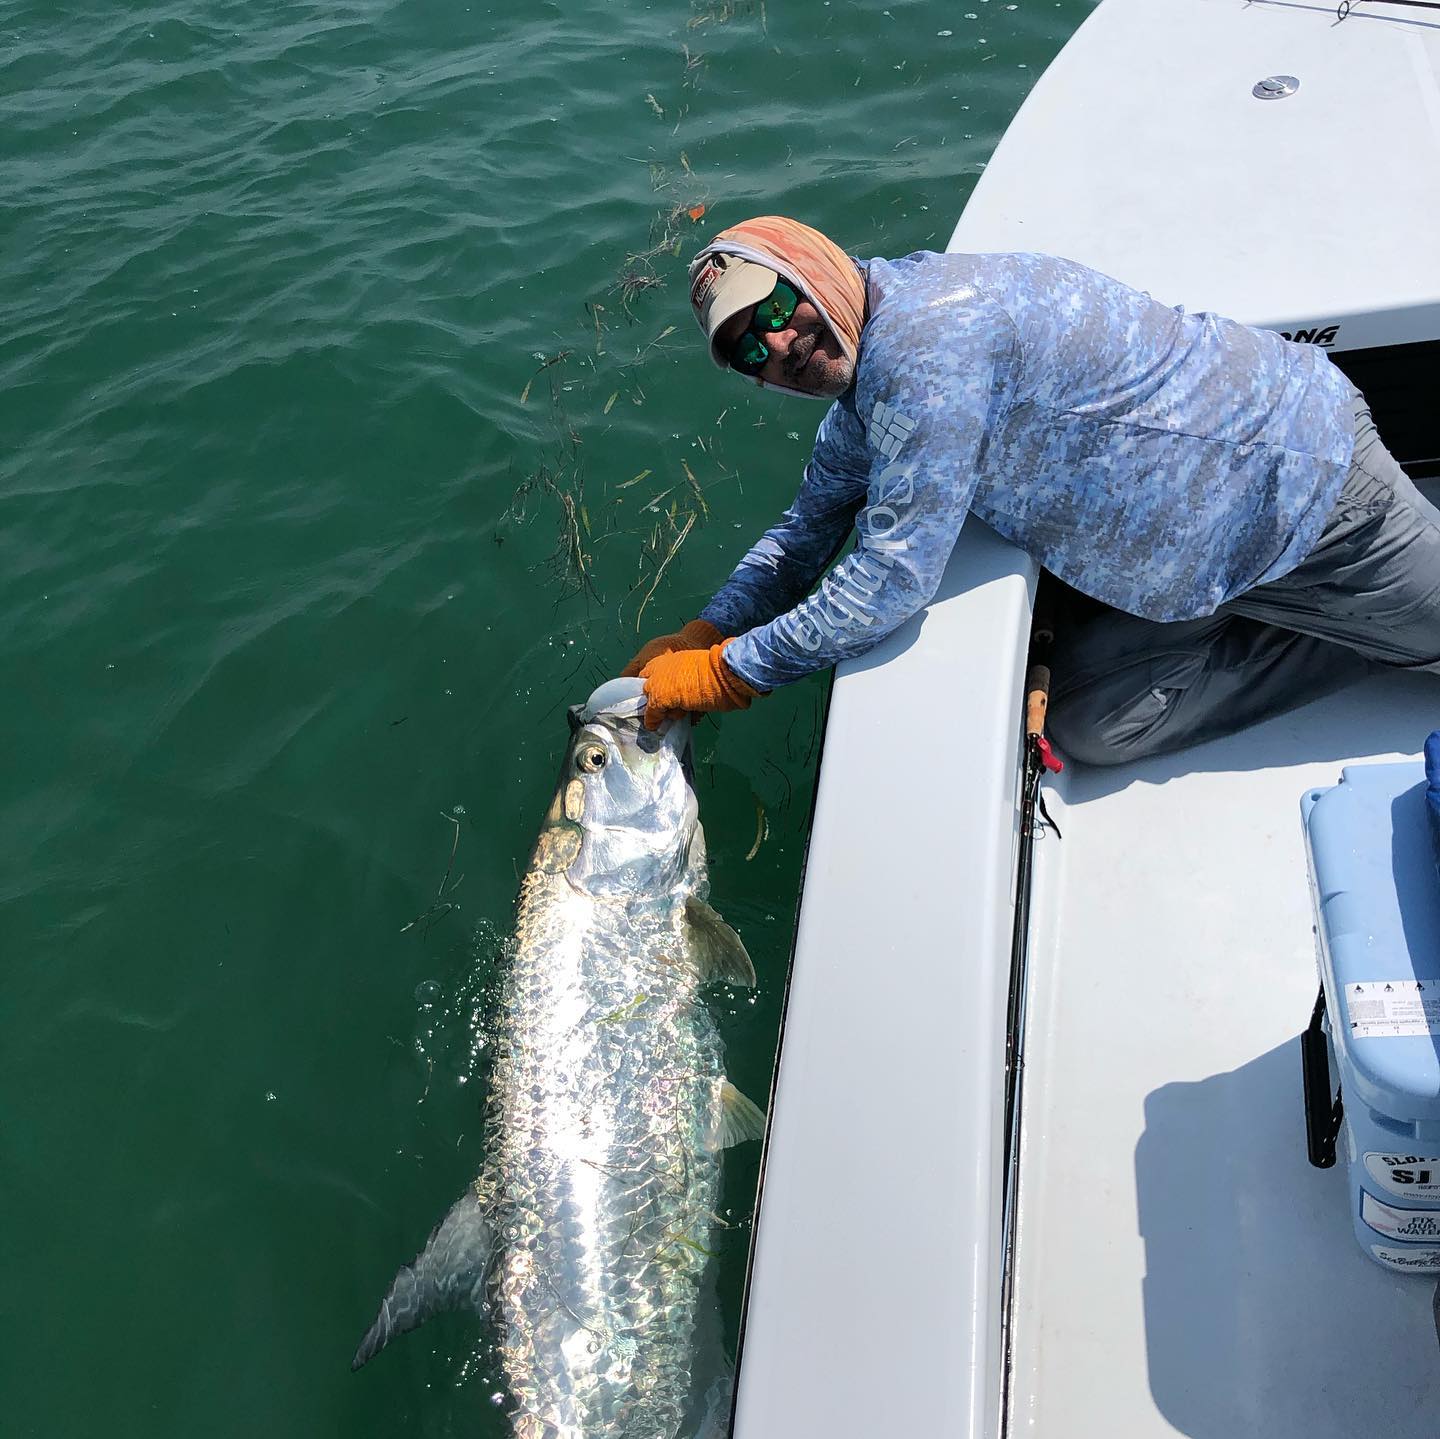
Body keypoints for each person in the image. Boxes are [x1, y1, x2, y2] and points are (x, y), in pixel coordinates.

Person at [626, 215, 1440, 764]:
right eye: (745, 349)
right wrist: (709, 625)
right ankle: (1375, 635)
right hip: (1191, 560)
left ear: (815, 268)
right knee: (1092, 717)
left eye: (775, 304)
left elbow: (890, 581)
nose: (777, 342)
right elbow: (805, 529)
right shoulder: (862, 390)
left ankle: (1388, 625)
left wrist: (732, 671)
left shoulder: (925, 345)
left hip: (1304, 485)